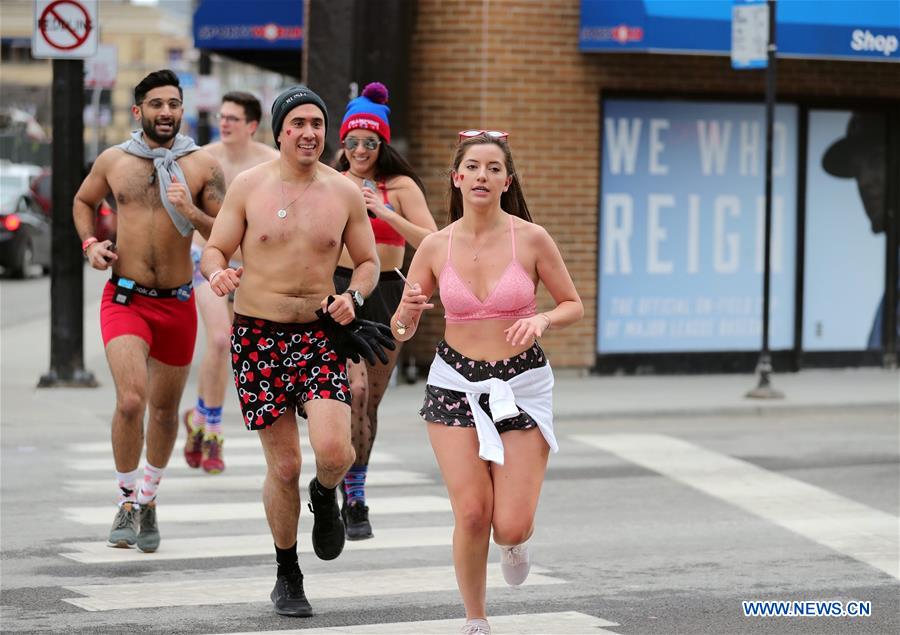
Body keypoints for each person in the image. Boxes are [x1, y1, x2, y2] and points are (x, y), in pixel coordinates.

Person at [200, 85, 393, 618]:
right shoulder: (248, 187)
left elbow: (370, 262)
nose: (310, 133)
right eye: (299, 123)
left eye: (317, 124)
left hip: (319, 334)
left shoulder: (343, 192)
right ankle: (288, 573)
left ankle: (326, 492)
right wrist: (218, 273)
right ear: (280, 131)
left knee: (336, 453)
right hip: (258, 337)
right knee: (282, 466)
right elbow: (214, 248)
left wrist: (354, 297)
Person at [390, 130, 583, 635]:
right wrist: (405, 315)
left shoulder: (532, 238)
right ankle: (476, 618)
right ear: (457, 179)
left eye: (493, 168)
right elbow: (401, 328)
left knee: (509, 523)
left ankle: (517, 541)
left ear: (506, 180)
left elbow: (572, 304)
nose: (482, 175)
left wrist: (541, 321)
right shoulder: (434, 246)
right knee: (472, 513)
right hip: (455, 381)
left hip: (521, 384)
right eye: (472, 167)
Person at [72, 69, 225, 553]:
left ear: (183, 109)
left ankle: (149, 500)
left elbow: (225, 229)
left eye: (173, 104)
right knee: (132, 400)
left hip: (178, 302)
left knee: (163, 412)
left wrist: (192, 210)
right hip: (126, 298)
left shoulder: (201, 166)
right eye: (156, 104)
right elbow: (82, 200)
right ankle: (124, 498)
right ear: (138, 111)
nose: (166, 112)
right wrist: (92, 243)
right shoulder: (115, 161)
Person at [333, 81, 437, 539]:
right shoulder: (330, 181)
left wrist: (385, 210)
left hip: (388, 293)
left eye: (369, 142)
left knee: (369, 400)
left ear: (382, 143)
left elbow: (432, 243)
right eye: (352, 141)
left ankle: (354, 485)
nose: (359, 149)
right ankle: (349, 493)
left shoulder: (401, 186)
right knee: (352, 392)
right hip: (341, 289)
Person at [182, 91, 280, 474]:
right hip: (206, 259)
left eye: (233, 118)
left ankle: (197, 416)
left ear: (252, 126)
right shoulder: (203, 159)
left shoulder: (271, 163)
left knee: (242, 347)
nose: (224, 123)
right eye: (222, 117)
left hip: (253, 266)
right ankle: (212, 430)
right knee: (221, 339)